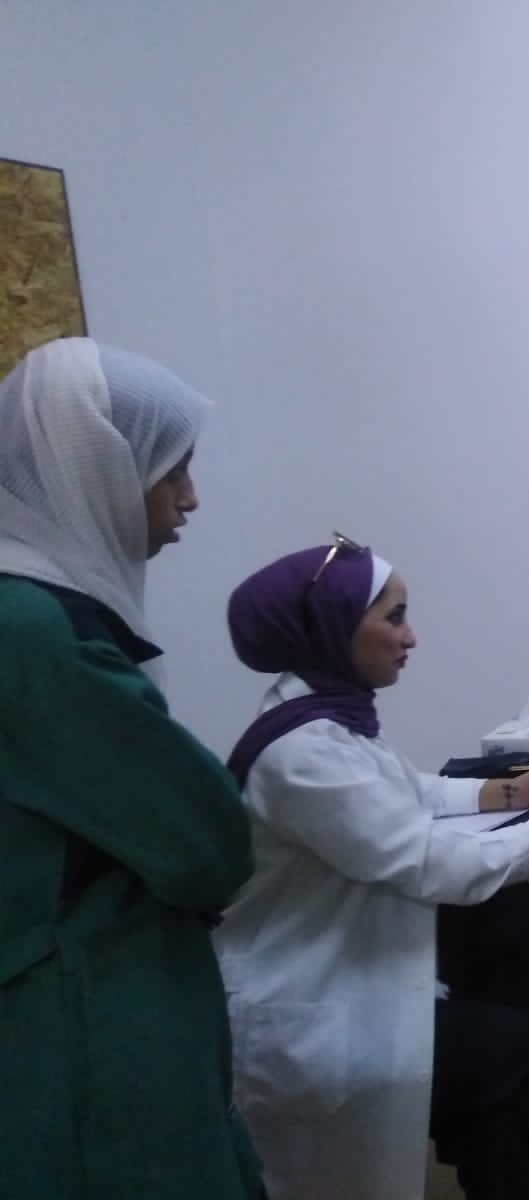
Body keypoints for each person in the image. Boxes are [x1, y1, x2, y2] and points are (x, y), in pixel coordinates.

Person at [212, 538, 529, 1200]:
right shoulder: (303, 751)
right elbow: (427, 863)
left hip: (359, 965)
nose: (412, 637)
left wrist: (502, 791)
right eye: (394, 618)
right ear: (334, 626)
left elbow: (402, 791)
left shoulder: (324, 713)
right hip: (318, 1004)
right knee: (514, 1040)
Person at [0, 337, 261, 1198]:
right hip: (86, 1020)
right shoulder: (36, 635)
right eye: (170, 468)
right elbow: (207, 845)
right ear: (95, 467)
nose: (190, 497)